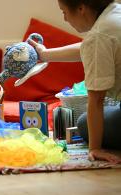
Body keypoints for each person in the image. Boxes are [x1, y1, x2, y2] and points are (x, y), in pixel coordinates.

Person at [29, 0, 121, 163]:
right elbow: (89, 47)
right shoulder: (114, 13)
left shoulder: (99, 35)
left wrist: (95, 148)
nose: (64, 19)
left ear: (81, 8)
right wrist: (45, 54)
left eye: (64, 12)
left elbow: (97, 99)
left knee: (84, 123)